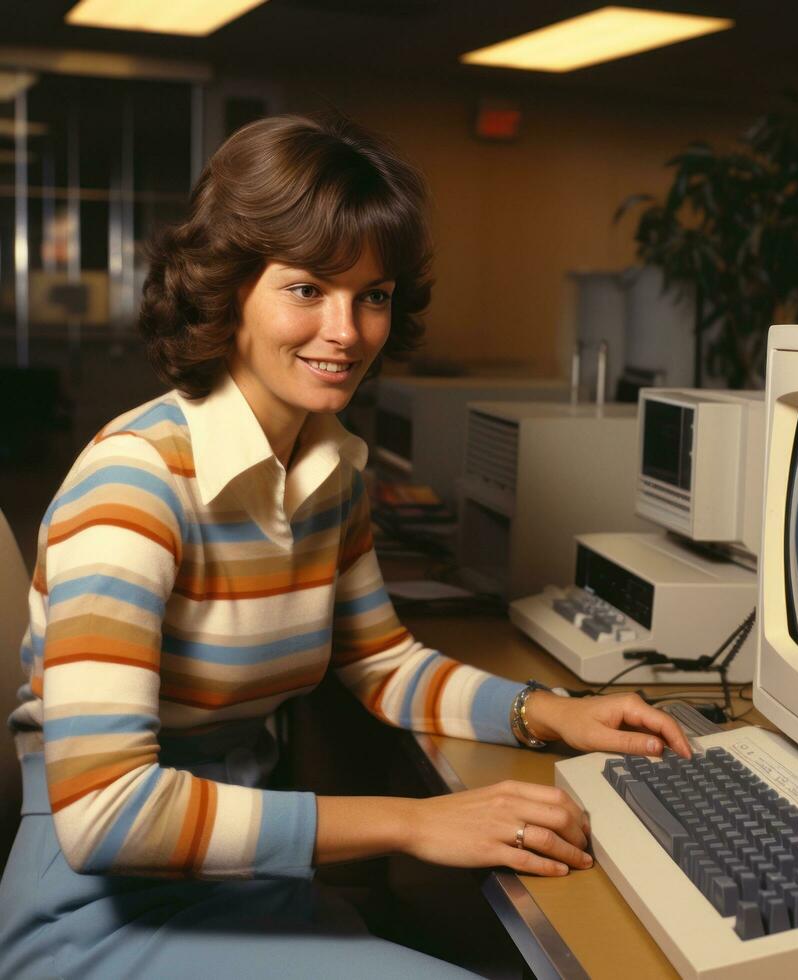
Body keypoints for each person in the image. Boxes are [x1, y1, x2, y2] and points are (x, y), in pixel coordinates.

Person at [0, 113, 690, 979]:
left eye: (373, 295)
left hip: (247, 878)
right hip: (101, 912)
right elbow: (106, 813)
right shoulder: (134, 488)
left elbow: (381, 663)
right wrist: (414, 822)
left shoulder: (328, 471)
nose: (347, 330)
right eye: (307, 290)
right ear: (228, 290)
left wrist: (549, 711)